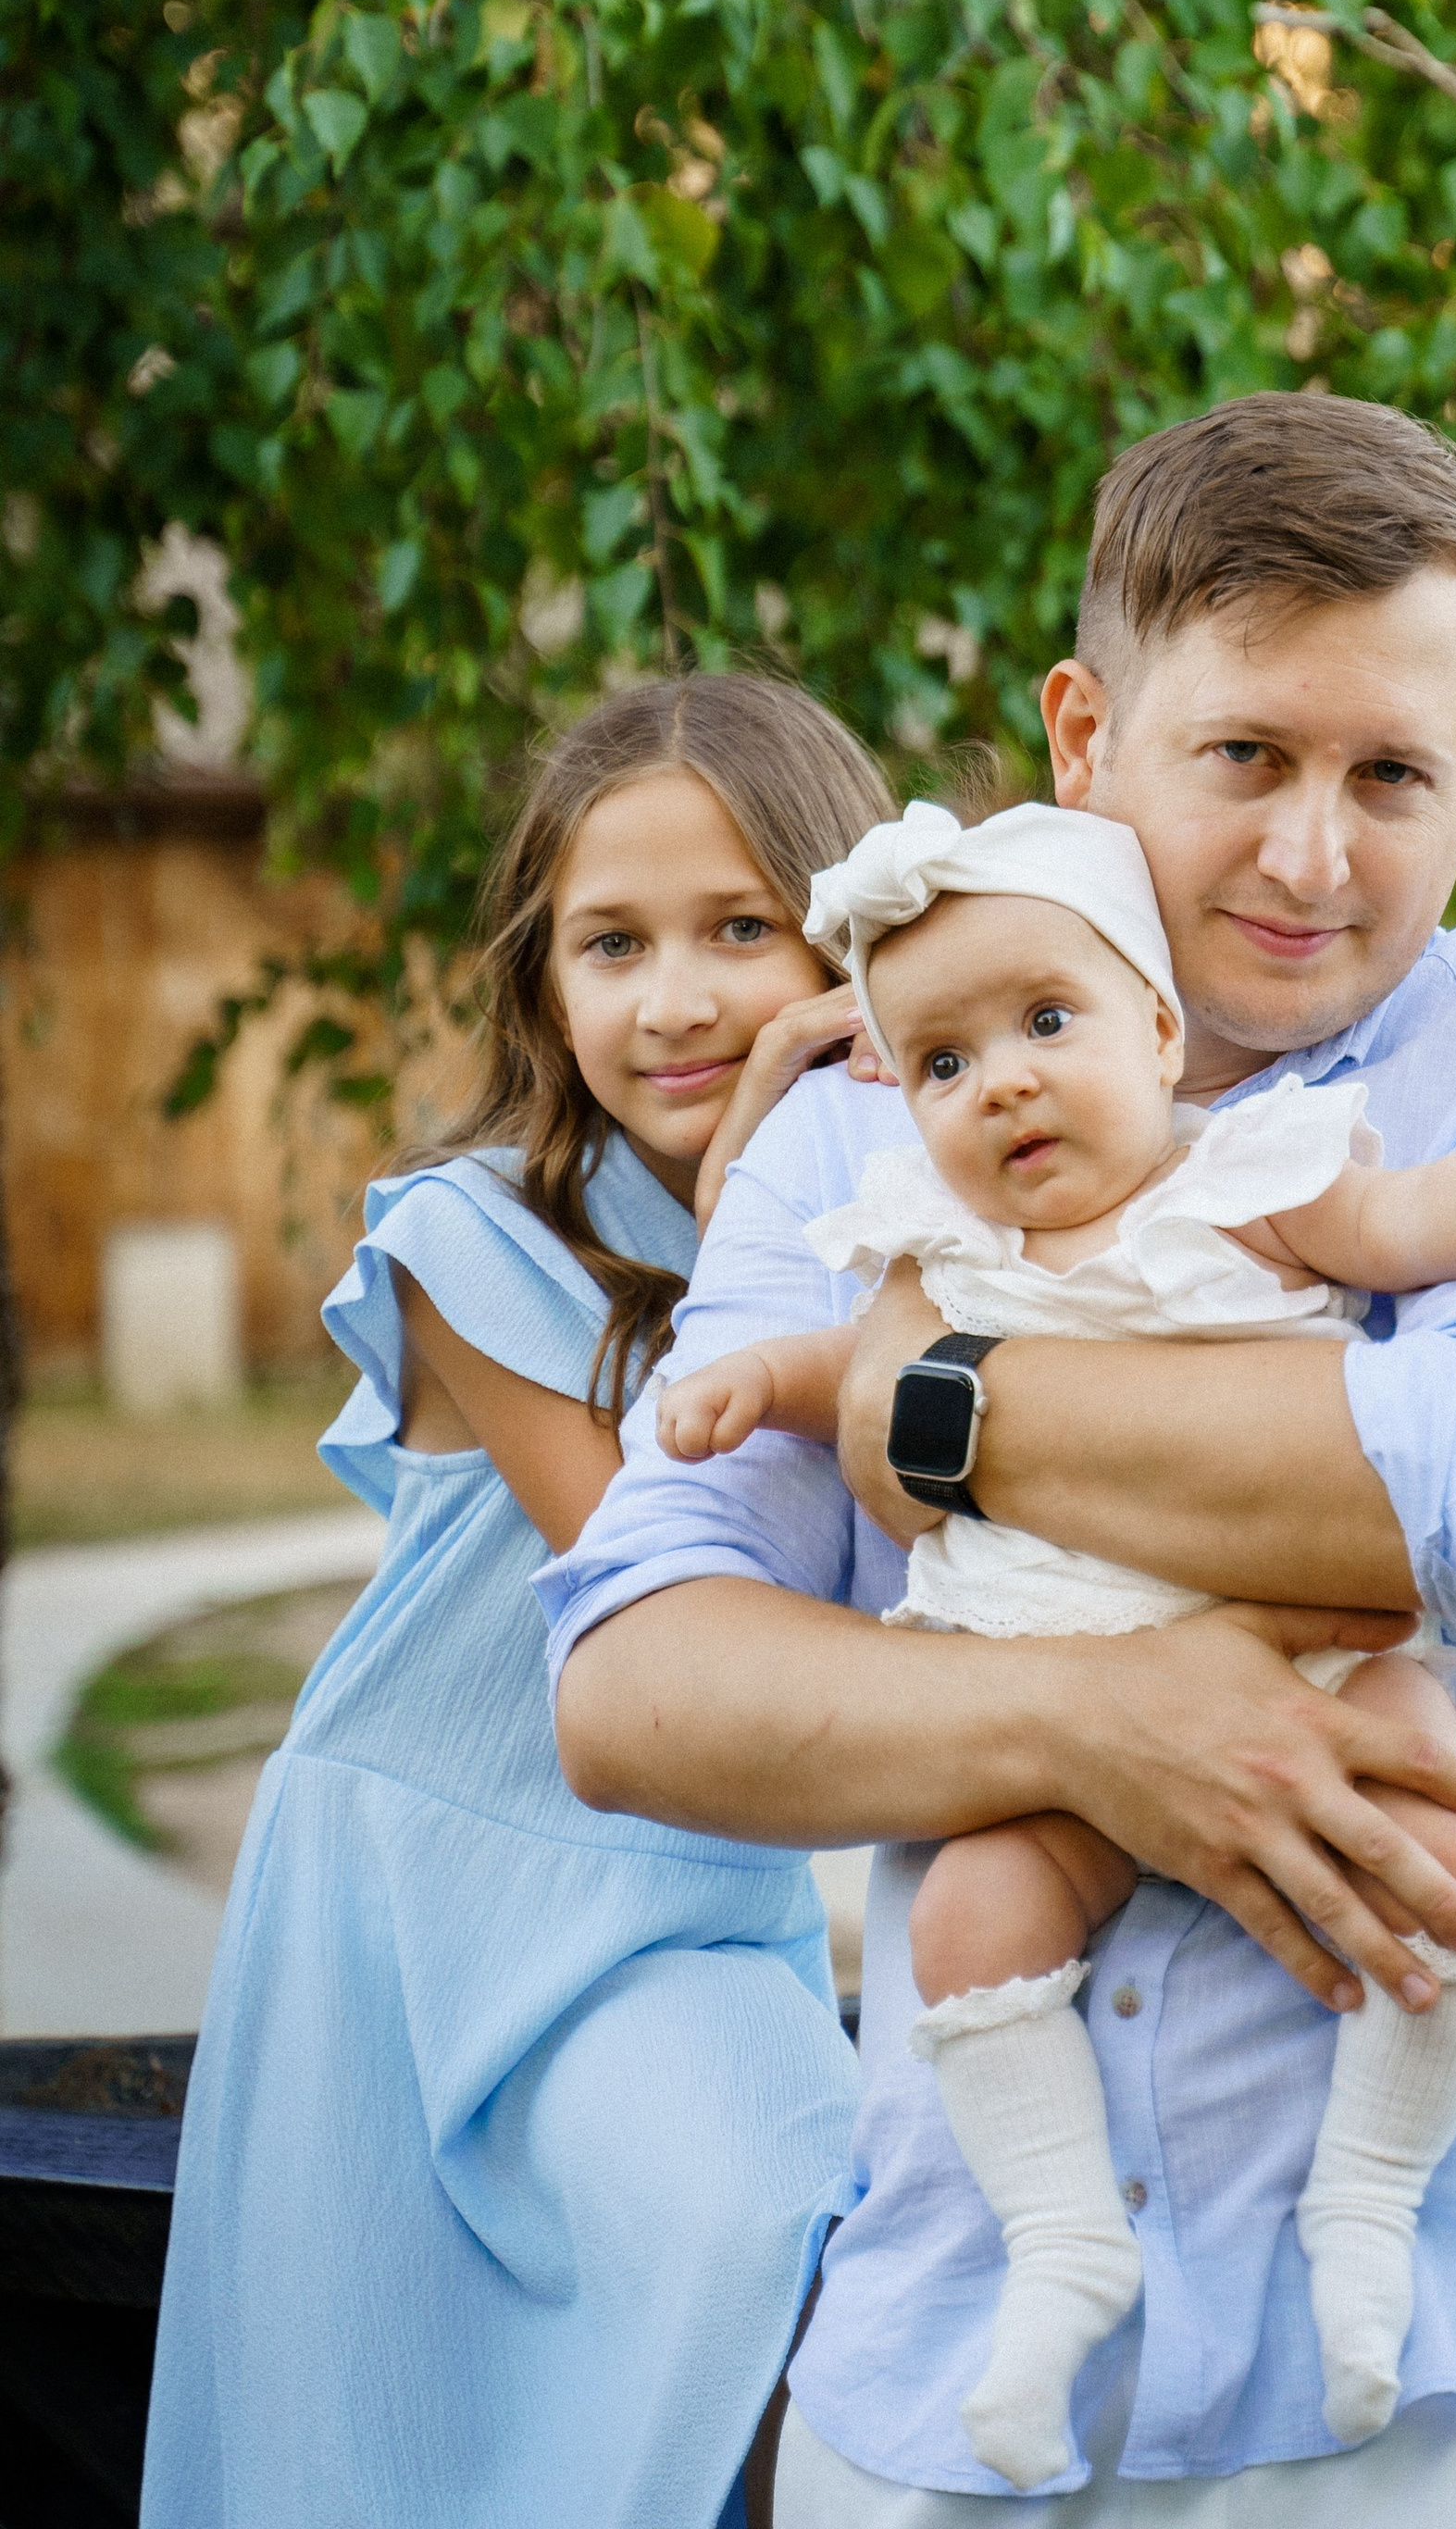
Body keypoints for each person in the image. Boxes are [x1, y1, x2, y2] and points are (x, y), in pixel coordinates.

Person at [545, 392, 1456, 2527]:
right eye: (1244, 760)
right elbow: (641, 1688)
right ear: (1081, 735)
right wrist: (1095, 1726)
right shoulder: (856, 1119)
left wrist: (911, 1403)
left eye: (1388, 774)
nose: (1314, 855)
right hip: (957, 2385)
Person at [659, 795, 1456, 2484]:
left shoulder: (1255, 1179)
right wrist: (749, 1382)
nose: (1009, 1084)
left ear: (1158, 1028)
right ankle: (1062, 2243)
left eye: (1048, 1023)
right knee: (972, 1917)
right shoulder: (938, 1246)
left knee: (1440, 1824)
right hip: (1052, 1658)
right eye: (949, 1064)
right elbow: (850, 1378)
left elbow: (1416, 1229)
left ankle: (1370, 2201)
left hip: (1311, 1660)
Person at [143, 676, 888, 2529]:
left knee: (804, 2239)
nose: (676, 998)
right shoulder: (463, 1242)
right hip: (434, 1897)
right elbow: (666, 1599)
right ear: (542, 985)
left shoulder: (904, 1233)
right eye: (609, 944)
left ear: (848, 936)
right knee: (383, 2433)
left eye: (738, 929)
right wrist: (744, 1192)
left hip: (689, 1912)